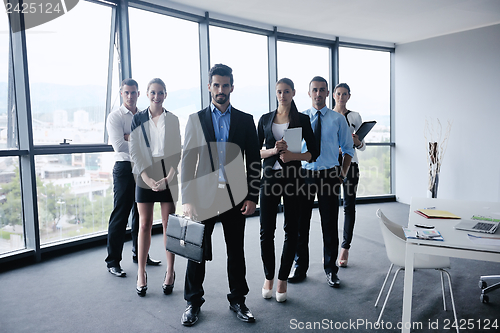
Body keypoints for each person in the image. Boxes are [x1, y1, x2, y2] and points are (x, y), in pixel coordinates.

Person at [180, 64, 261, 326]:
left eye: (225, 85)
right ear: (209, 87)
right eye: (216, 85)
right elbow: (187, 161)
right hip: (203, 197)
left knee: (236, 250)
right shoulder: (196, 119)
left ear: (232, 88)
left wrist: (252, 196)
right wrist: (188, 199)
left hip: (236, 198)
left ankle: (238, 299)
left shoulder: (245, 120)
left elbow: (254, 162)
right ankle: (193, 302)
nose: (221, 90)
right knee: (197, 251)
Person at [288, 76, 354, 288]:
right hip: (305, 175)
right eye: (314, 90)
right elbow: (291, 149)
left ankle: (330, 269)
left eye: (322, 90)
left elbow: (348, 150)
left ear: (328, 93)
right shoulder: (300, 118)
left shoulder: (337, 119)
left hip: (329, 175)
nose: (318, 94)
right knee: (301, 224)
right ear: (309, 93)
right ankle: (300, 266)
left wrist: (342, 175)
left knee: (329, 224)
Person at [257, 78, 319, 303]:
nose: (282, 95)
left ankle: (282, 277)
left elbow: (314, 151)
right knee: (266, 231)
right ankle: (269, 277)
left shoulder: (302, 119)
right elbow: (256, 151)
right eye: (279, 92)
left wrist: (294, 156)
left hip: (294, 179)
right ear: (275, 93)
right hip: (270, 179)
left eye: (286, 92)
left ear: (293, 93)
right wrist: (273, 150)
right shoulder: (265, 119)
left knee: (291, 230)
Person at [129, 78, 181, 297]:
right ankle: (141, 272)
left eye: (160, 93)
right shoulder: (137, 119)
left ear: (165, 95)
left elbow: (176, 151)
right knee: (144, 224)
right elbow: (135, 152)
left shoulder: (173, 119)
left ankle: (170, 271)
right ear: (147, 94)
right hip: (145, 174)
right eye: (153, 92)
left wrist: (168, 177)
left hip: (168, 172)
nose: (156, 96)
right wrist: (148, 179)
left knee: (169, 225)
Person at [105, 78, 160, 278]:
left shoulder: (145, 115)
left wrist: (132, 137)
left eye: (134, 92)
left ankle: (140, 255)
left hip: (144, 168)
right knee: (121, 214)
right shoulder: (115, 117)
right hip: (124, 168)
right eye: (126, 92)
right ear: (122, 93)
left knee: (141, 217)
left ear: (139, 94)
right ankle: (113, 261)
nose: (130, 96)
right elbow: (119, 146)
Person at [333, 83, 366, 268]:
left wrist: (357, 141)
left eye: (344, 94)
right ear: (334, 95)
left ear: (349, 96)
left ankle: (345, 248)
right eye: (338, 94)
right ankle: (331, 249)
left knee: (348, 206)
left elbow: (363, 146)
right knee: (329, 207)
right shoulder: (328, 115)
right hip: (331, 166)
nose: (341, 97)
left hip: (351, 166)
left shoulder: (355, 117)